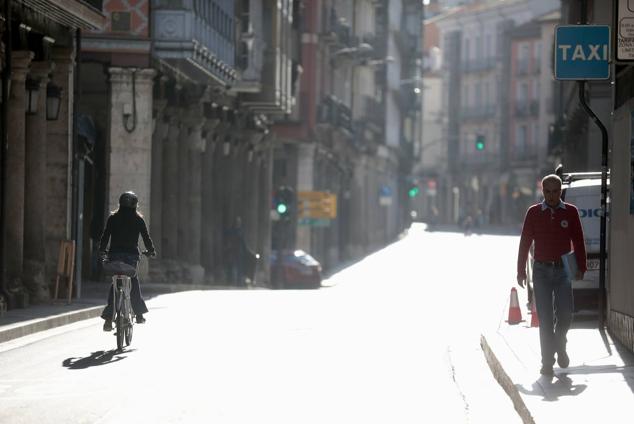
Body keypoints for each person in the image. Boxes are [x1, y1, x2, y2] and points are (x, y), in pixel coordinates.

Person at [516, 174, 587, 376]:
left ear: (560, 191)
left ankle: (560, 344)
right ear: (543, 191)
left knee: (565, 314)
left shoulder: (570, 212)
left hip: (563, 270)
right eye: (548, 192)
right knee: (545, 319)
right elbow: (524, 243)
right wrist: (520, 270)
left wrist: (581, 267)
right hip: (541, 271)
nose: (552, 196)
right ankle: (547, 362)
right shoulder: (534, 213)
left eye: (556, 192)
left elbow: (579, 241)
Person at [99, 191, 156, 331]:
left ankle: (108, 317)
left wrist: (102, 250)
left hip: (115, 255)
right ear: (135, 205)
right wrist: (151, 251)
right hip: (131, 257)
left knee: (115, 284)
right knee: (133, 281)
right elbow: (146, 237)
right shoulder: (138, 220)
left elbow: (105, 235)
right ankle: (139, 313)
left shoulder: (112, 218)